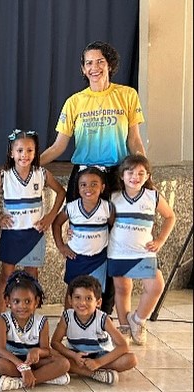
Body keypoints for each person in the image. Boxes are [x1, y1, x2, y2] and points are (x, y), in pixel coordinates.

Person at [40, 41, 146, 314]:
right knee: (81, 237)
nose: (94, 67)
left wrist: (145, 173)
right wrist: (26, 164)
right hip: (84, 177)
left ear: (109, 65)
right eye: (89, 63)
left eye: (100, 61)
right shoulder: (74, 102)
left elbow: (134, 140)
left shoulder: (127, 95)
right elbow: (58, 147)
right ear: (83, 69)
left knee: (114, 242)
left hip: (116, 177)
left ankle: (104, 312)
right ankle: (76, 311)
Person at [0, 130, 66, 314]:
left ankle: (29, 314)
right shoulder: (4, 176)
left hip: (34, 234)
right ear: (11, 153)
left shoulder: (42, 174)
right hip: (12, 234)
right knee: (6, 275)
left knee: (31, 276)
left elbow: (61, 192)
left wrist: (50, 217)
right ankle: (2, 317)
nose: (24, 155)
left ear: (35, 152)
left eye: (29, 150)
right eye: (19, 150)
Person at [108, 154, 176, 345]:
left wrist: (160, 240)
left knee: (156, 286)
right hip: (118, 251)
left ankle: (138, 320)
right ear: (122, 175)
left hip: (144, 251)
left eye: (140, 173)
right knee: (123, 288)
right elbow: (107, 221)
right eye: (130, 172)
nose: (135, 177)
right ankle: (124, 327)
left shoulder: (152, 195)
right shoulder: (114, 197)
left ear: (147, 176)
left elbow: (170, 217)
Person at [51, 275, 137, 385]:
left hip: (101, 355)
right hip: (76, 355)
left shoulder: (103, 319)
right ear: (70, 300)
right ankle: (94, 374)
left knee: (131, 359)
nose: (82, 303)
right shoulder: (67, 316)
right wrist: (74, 356)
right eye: (77, 297)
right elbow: (55, 342)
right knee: (51, 354)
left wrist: (98, 362)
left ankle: (88, 369)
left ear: (98, 302)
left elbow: (123, 346)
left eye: (88, 298)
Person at [0, 271, 71, 391]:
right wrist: (23, 367)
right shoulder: (3, 320)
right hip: (13, 361)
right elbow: (1, 350)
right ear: (8, 301)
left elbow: (46, 350)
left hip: (35, 362)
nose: (22, 306)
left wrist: (37, 351)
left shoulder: (42, 322)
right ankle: (45, 377)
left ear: (36, 301)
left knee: (64, 364)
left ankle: (19, 382)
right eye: (16, 301)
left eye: (27, 301)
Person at [52, 166, 113, 306]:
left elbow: (115, 228)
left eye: (94, 184)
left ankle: (93, 319)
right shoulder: (71, 207)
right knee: (72, 291)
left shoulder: (107, 208)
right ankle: (67, 318)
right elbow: (56, 224)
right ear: (78, 188)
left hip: (98, 259)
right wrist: (61, 246)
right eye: (83, 185)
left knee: (94, 293)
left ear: (102, 187)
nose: (88, 188)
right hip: (76, 258)